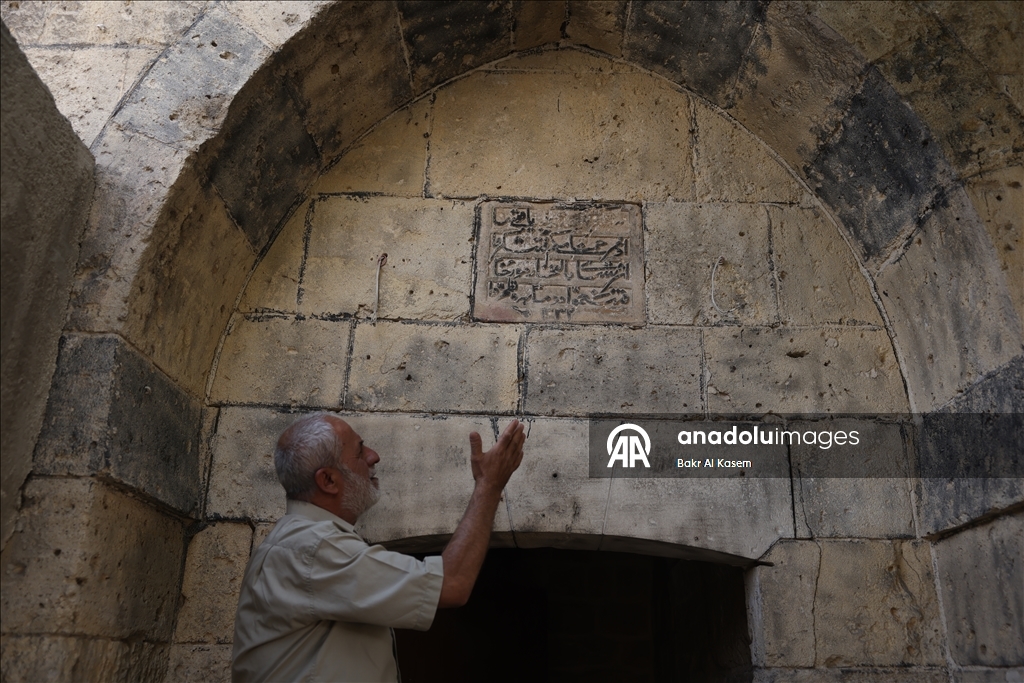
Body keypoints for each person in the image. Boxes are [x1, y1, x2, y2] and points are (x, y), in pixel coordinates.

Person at [231, 412, 526, 683]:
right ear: (329, 480)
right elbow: (452, 584)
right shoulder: (311, 547)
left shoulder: (302, 542)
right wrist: (489, 484)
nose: (374, 457)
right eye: (360, 451)